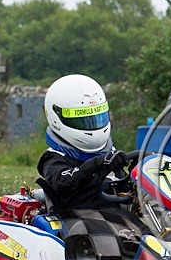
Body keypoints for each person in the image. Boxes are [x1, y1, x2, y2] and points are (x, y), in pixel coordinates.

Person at [38, 74, 129, 211]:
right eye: (79, 118)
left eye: (96, 116)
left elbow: (125, 187)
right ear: (56, 116)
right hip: (79, 219)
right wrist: (97, 164)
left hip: (116, 218)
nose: (91, 125)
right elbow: (63, 182)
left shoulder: (109, 155)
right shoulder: (53, 158)